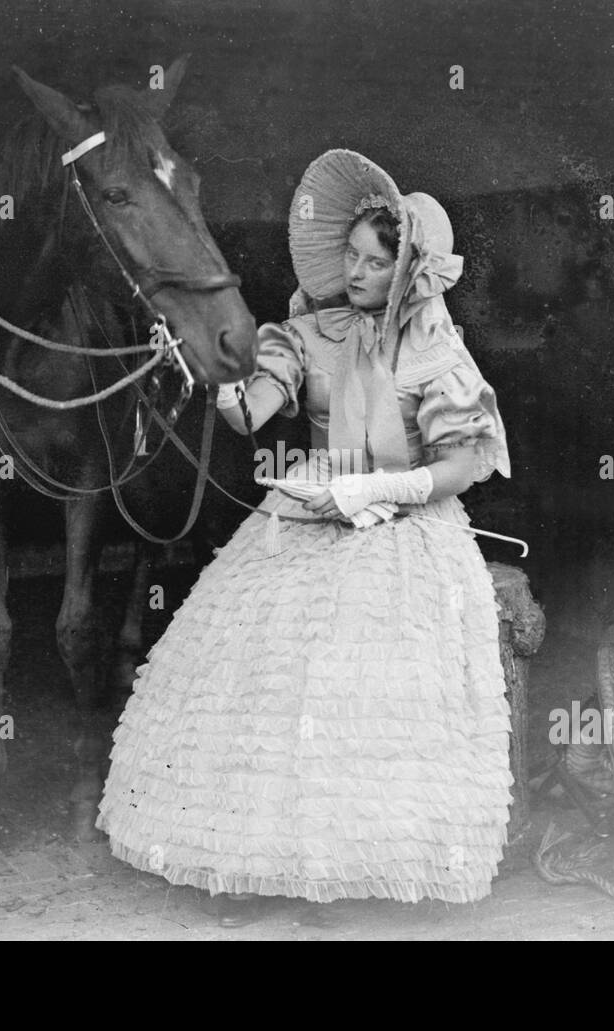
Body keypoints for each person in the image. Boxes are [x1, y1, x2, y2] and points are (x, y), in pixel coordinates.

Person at [95, 149, 514, 924]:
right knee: (252, 663)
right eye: (349, 256)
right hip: (307, 506)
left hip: (409, 526)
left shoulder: (433, 349)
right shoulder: (308, 331)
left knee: (361, 688)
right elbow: (254, 409)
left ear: (409, 271)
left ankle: (353, 869)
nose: (355, 273)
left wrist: (382, 488)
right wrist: (223, 386)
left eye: (374, 263)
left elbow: (463, 462)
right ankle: (254, 861)